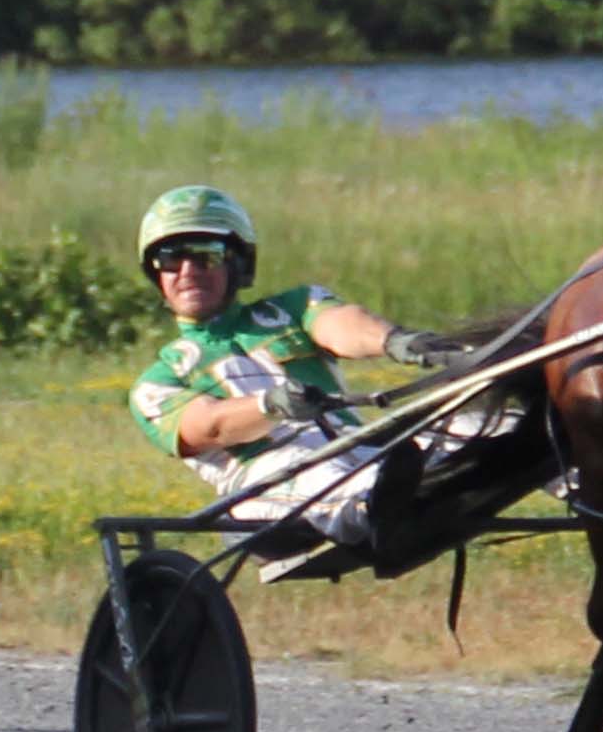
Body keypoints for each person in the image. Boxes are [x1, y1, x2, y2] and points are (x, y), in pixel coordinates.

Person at [127, 185, 460, 553]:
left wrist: (396, 341)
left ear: (237, 263)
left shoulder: (294, 308)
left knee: (477, 423)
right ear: (156, 274)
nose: (188, 271)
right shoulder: (156, 384)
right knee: (325, 478)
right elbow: (208, 425)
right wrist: (269, 405)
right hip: (268, 485)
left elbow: (339, 325)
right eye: (170, 260)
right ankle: (379, 502)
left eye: (206, 255)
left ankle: (447, 474)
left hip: (363, 449)